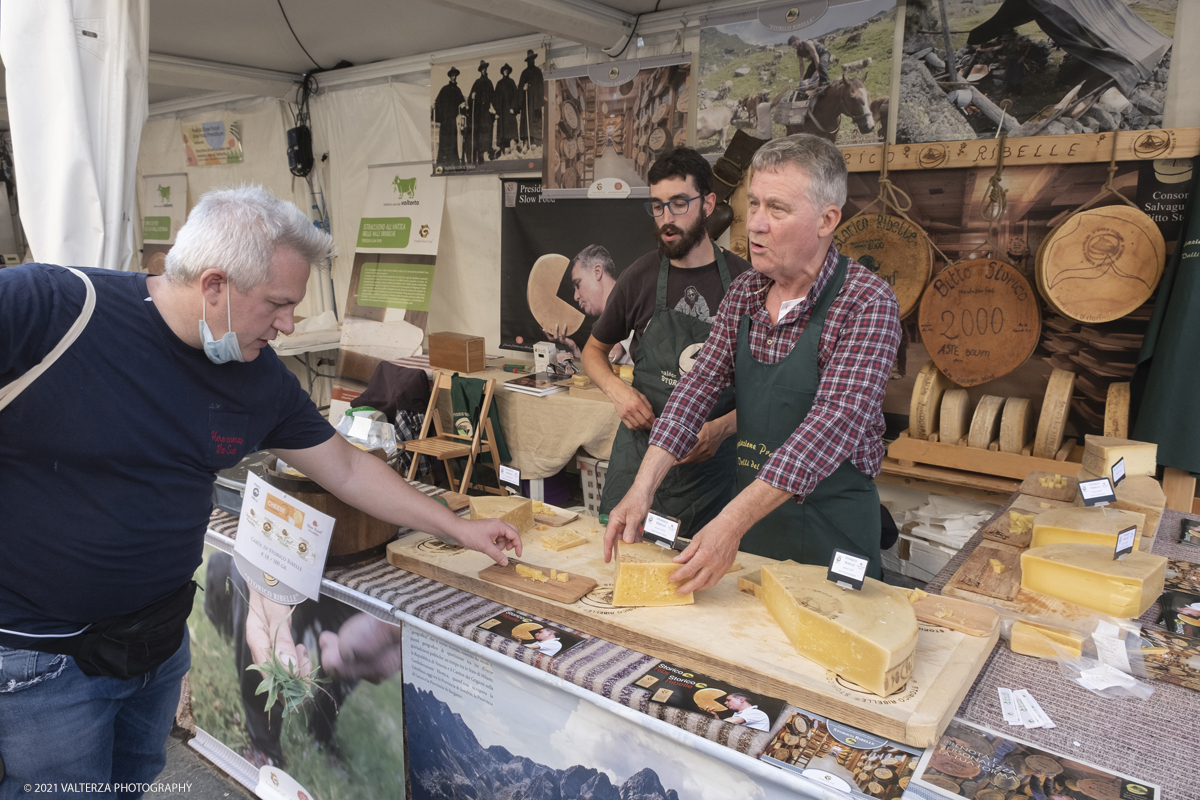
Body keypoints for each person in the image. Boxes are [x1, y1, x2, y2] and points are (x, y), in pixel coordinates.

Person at [0, 186, 522, 794]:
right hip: (44, 660)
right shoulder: (55, 306)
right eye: (278, 303)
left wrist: (457, 526)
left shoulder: (256, 377)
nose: (289, 324)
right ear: (215, 285)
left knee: (128, 785)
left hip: (158, 649)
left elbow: (346, 470)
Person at [604, 134, 901, 590]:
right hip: (755, 523)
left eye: (777, 209)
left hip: (830, 531)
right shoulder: (745, 293)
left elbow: (832, 425)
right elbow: (696, 389)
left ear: (827, 220)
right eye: (754, 204)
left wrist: (728, 524)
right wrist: (640, 490)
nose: (755, 225)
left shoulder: (866, 303)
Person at [585, 147, 751, 536]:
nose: (667, 219)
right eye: (657, 207)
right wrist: (617, 392)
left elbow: (766, 390)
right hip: (640, 454)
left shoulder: (746, 285)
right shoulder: (640, 276)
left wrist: (723, 428)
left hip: (709, 466)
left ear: (708, 203)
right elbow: (594, 351)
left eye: (679, 204)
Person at [542, 244, 630, 364]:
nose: (576, 296)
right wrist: (574, 349)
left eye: (578, 284)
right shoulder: (611, 317)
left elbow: (610, 356)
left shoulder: (633, 306)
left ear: (597, 272)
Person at [433, 65, 465, 168]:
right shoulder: (444, 89)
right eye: (452, 75)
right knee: (444, 140)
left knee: (452, 140)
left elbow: (462, 103)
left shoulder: (458, 90)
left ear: (456, 76)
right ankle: (442, 161)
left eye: (455, 75)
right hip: (445, 120)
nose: (453, 77)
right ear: (450, 77)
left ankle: (453, 161)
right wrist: (436, 108)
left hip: (453, 120)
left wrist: (463, 107)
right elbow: (437, 102)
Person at [467, 60, 497, 164]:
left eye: (485, 68)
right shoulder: (477, 82)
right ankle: (479, 157)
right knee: (479, 135)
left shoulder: (489, 83)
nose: (484, 70)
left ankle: (487, 155)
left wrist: (495, 110)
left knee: (487, 133)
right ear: (480, 70)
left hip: (487, 113)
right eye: (482, 69)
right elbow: (470, 100)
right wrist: (472, 97)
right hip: (478, 114)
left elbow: (493, 98)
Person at [516, 49, 544, 152]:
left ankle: (535, 142)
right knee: (526, 121)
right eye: (529, 60)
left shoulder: (538, 72)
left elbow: (541, 87)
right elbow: (519, 89)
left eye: (532, 59)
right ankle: (526, 142)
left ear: (534, 60)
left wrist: (539, 102)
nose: (531, 61)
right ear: (527, 61)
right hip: (527, 103)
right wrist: (523, 89)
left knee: (535, 122)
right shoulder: (524, 73)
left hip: (535, 102)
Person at [493, 63, 519, 156]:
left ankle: (513, 149)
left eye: (507, 70)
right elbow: (495, 98)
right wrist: (497, 111)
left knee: (511, 128)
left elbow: (516, 96)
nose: (506, 72)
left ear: (509, 72)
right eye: (504, 70)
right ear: (502, 72)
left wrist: (514, 108)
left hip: (510, 110)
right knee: (502, 130)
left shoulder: (512, 82)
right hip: (502, 112)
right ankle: (503, 151)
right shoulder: (499, 84)